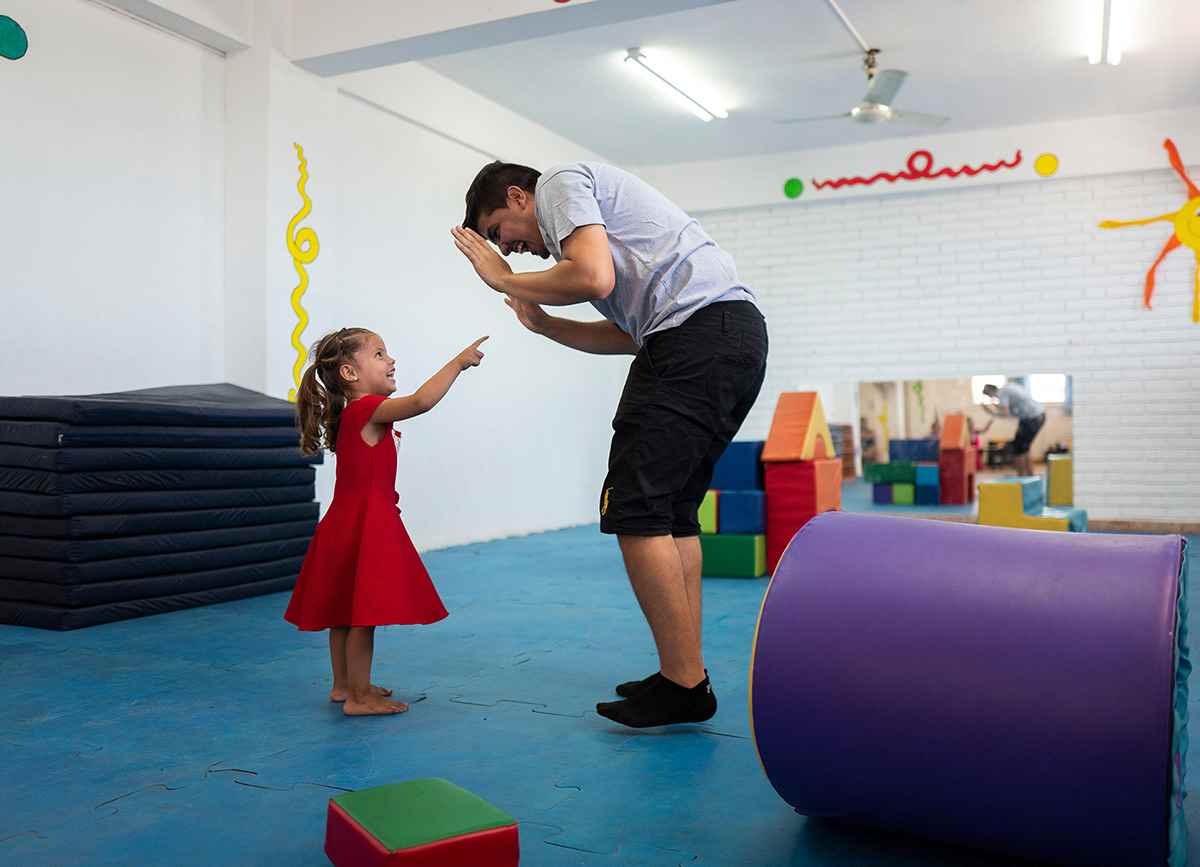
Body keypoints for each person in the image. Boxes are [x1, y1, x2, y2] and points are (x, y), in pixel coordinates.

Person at [451, 161, 768, 728]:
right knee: (672, 515)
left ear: (520, 196)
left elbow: (590, 278)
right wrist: (546, 325)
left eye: (499, 231)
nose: (511, 249)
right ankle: (684, 671)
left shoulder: (558, 184)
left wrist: (499, 278)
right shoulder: (597, 230)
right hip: (721, 338)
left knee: (637, 511)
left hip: (695, 341)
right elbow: (629, 336)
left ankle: (685, 684)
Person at [284, 327, 488, 716]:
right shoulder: (366, 409)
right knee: (364, 615)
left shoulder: (351, 414)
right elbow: (423, 401)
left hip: (344, 521)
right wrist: (458, 363)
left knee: (342, 610)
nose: (390, 360)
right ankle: (360, 699)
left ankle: (345, 685)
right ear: (349, 373)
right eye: (379, 354)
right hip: (367, 523)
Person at [981, 382, 1044, 477]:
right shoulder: (1007, 389)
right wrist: (993, 408)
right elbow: (1009, 410)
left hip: (1032, 418)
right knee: (1023, 448)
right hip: (1035, 416)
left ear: (990, 393)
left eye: (989, 396)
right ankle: (1029, 476)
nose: (991, 398)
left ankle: (1022, 477)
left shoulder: (1002, 394)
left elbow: (1006, 414)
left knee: (1019, 448)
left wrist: (990, 411)